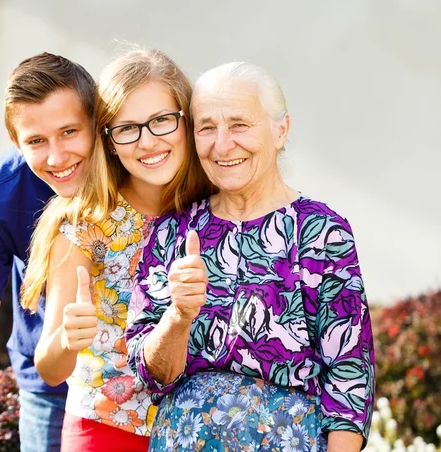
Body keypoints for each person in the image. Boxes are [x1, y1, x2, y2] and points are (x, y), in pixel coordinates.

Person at [126, 62, 375, 452]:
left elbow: (349, 374)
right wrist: (178, 316)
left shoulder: (322, 232)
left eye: (239, 124)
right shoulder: (173, 232)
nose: (222, 144)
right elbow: (153, 375)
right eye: (207, 127)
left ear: (281, 130)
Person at [20, 48, 214, 452]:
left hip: (200, 432)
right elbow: (49, 368)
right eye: (127, 128)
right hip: (106, 432)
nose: (148, 142)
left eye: (162, 120)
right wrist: (67, 340)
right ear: (108, 141)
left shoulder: (217, 209)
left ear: (186, 121)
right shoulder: (85, 224)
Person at [0, 51, 96, 452]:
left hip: (142, 377)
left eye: (69, 132)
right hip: (50, 385)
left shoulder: (134, 163)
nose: (57, 158)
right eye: (36, 141)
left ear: (97, 123)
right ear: (15, 141)